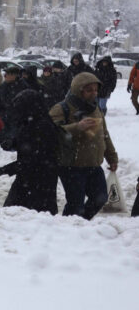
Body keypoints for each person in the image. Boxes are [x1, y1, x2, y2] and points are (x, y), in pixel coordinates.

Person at [49, 72, 118, 220]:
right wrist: (76, 127)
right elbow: (50, 133)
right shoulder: (61, 108)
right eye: (89, 90)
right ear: (78, 90)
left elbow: (104, 133)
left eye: (95, 90)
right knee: (75, 205)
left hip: (93, 163)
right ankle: (68, 229)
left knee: (100, 198)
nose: (94, 93)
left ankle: (81, 225)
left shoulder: (95, 108)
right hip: (71, 165)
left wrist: (112, 157)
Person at [0, 90, 60, 215]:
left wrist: (9, 169)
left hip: (38, 182)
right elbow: (29, 144)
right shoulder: (33, 121)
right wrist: (13, 143)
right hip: (31, 180)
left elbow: (36, 158)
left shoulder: (42, 126)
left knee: (17, 215)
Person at [0, 66, 28, 151]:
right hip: (5, 116)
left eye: (7, 74)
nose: (4, 76)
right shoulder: (5, 85)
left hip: (15, 117)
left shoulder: (22, 86)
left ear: (14, 76)